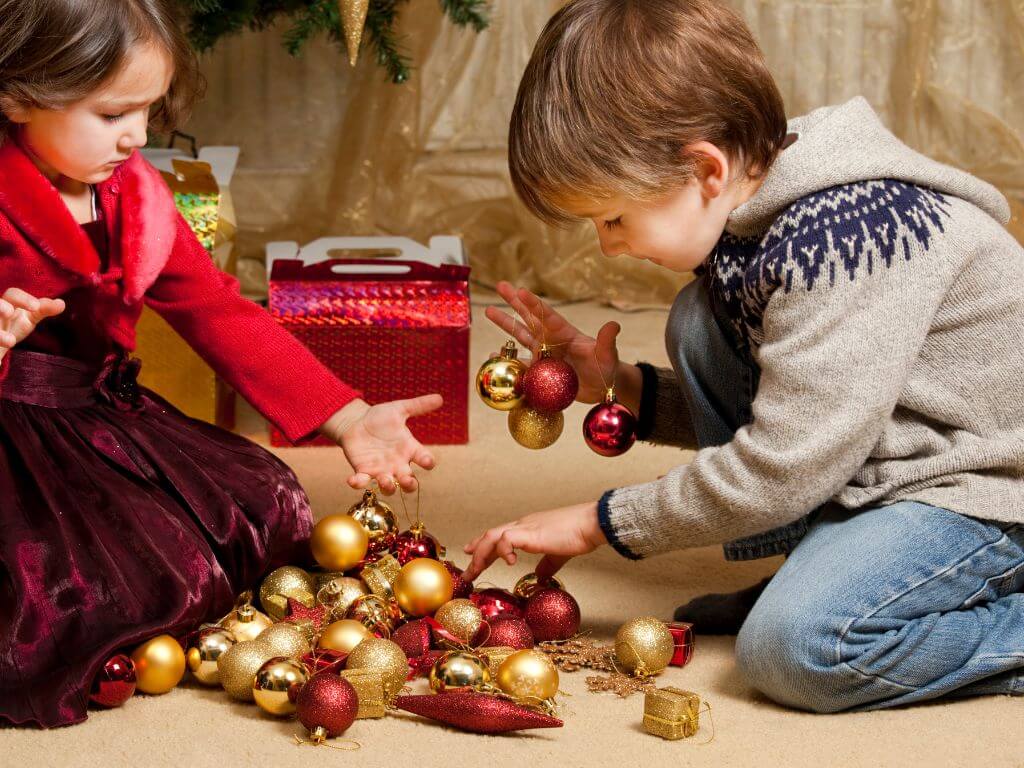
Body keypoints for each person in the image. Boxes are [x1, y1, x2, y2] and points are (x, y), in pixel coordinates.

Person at [463, 0, 1024, 712]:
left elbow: (784, 462)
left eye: (614, 218)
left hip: (982, 489)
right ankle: (829, 558)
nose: (608, 244)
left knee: (798, 650)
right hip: (876, 456)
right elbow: (791, 406)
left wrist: (600, 520)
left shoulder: (842, 240)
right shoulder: (757, 218)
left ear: (705, 169)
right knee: (699, 322)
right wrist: (623, 387)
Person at [0, 0, 440, 727]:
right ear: (19, 95)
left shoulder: (135, 196)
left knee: (263, 503)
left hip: (102, 412)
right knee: (91, 587)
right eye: (112, 115)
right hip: (18, 435)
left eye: (148, 109)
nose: (138, 136)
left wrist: (348, 415)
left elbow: (216, 310)